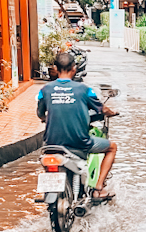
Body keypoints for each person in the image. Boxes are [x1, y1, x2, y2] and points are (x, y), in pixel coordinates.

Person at [37, 51, 118, 200]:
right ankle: (98, 188)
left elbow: (40, 114)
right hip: (79, 143)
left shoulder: (44, 90)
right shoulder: (85, 90)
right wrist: (112, 113)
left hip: (51, 144)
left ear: (55, 68)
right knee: (112, 147)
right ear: (74, 68)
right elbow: (102, 108)